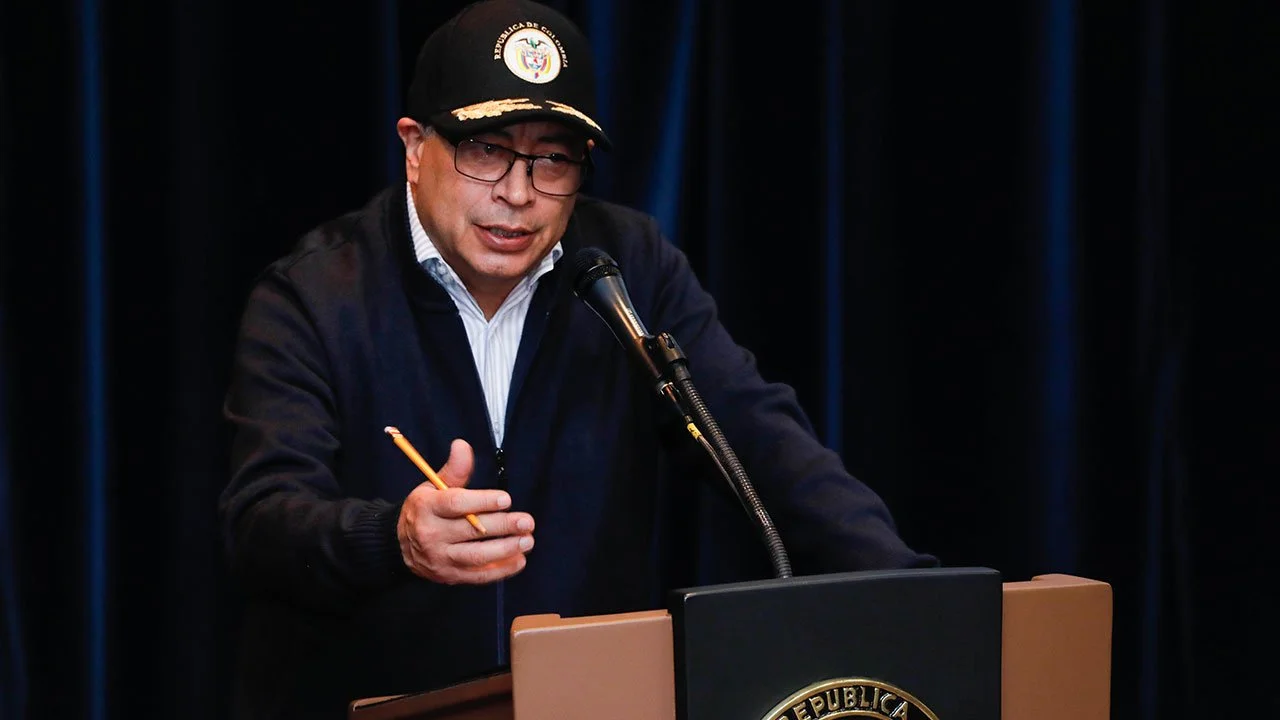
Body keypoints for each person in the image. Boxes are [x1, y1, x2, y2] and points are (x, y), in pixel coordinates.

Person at [218, 0, 937, 717]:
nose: (518, 194)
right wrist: (393, 538)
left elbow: (758, 438)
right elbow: (264, 522)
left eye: (552, 159)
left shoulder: (626, 270)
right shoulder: (315, 294)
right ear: (414, 147)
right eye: (485, 150)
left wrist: (917, 596)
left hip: (586, 700)